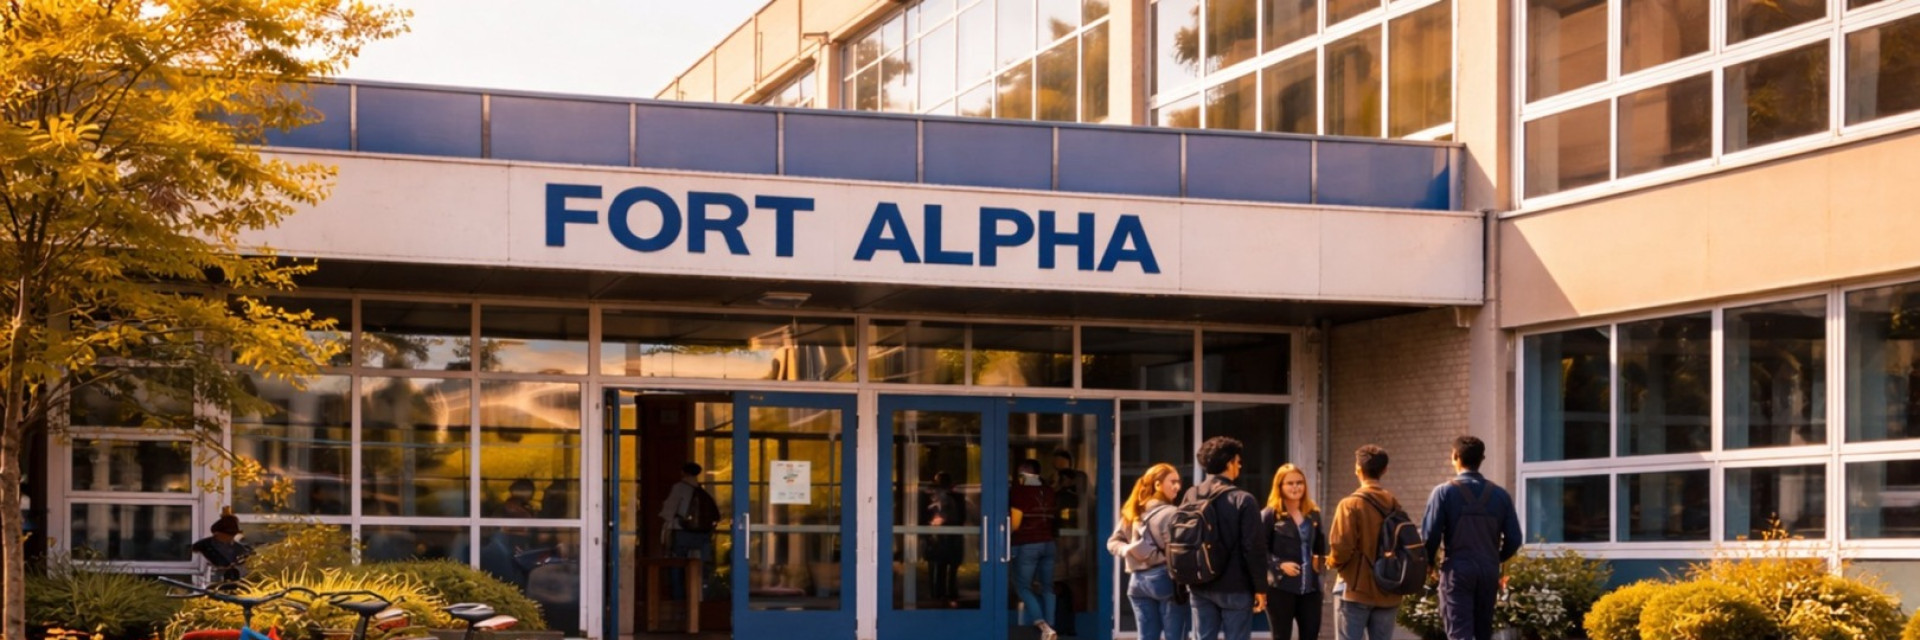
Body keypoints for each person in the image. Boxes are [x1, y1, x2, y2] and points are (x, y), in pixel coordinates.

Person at [1421, 436, 1523, 640]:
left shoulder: (1443, 492)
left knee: (1459, 633)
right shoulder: (1501, 495)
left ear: (1455, 457)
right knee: (1483, 632)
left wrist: (1429, 563)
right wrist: (1496, 558)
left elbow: (1430, 535)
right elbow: (1514, 538)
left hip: (1457, 571)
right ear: (1482, 459)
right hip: (1488, 571)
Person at [1186, 436, 1268, 640]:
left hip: (1199, 582)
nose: (1239, 466)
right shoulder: (1243, 499)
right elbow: (1253, 548)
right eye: (1238, 461)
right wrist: (1260, 588)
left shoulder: (1192, 495)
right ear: (1229, 463)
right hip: (1236, 586)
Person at [1107, 463, 1189, 640]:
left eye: (1179, 482)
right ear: (1157, 484)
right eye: (1173, 481)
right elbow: (1180, 550)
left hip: (1137, 582)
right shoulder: (1172, 513)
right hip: (1166, 580)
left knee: (1146, 637)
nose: (1178, 486)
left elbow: (1112, 543)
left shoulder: (1133, 511)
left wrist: (1128, 550)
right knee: (1175, 636)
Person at [1329, 445, 1403, 640]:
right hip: (1387, 588)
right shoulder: (1394, 503)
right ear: (1384, 470)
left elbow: (1341, 547)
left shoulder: (1349, 504)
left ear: (1358, 469)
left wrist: (1332, 562)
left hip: (1355, 588)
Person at [1262, 463, 1327, 640]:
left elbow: (1320, 547)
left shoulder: (1313, 513)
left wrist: (1320, 567)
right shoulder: (1270, 514)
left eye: (1299, 482)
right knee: (1281, 636)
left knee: (1311, 634)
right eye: (1290, 483)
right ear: (1280, 486)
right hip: (1281, 586)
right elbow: (1259, 550)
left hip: (1310, 588)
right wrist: (1279, 565)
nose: (1296, 487)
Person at [1008, 458, 1060, 640]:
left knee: (1023, 586)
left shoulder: (1019, 491)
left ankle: (1044, 627)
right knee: (1047, 587)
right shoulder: (1049, 491)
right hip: (1049, 543)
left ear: (1024, 472)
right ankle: (1051, 625)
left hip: (1027, 543)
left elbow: (1015, 522)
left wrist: (1005, 534)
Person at [658, 462, 716, 598]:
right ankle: (702, 598)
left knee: (677, 566)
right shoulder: (701, 491)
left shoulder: (679, 488)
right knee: (702, 568)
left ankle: (678, 600)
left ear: (683, 472)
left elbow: (668, 512)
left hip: (682, 532)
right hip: (702, 534)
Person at [923, 471, 966, 605]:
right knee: (947, 568)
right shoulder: (956, 497)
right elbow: (961, 517)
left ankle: (940, 594)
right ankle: (947, 593)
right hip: (947, 538)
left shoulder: (935, 497)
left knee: (941, 567)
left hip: (941, 538)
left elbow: (958, 517)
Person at [190, 514, 253, 588]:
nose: (230, 538)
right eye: (228, 535)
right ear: (217, 533)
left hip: (233, 585)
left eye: (232, 535)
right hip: (209, 584)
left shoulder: (240, 549)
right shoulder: (202, 545)